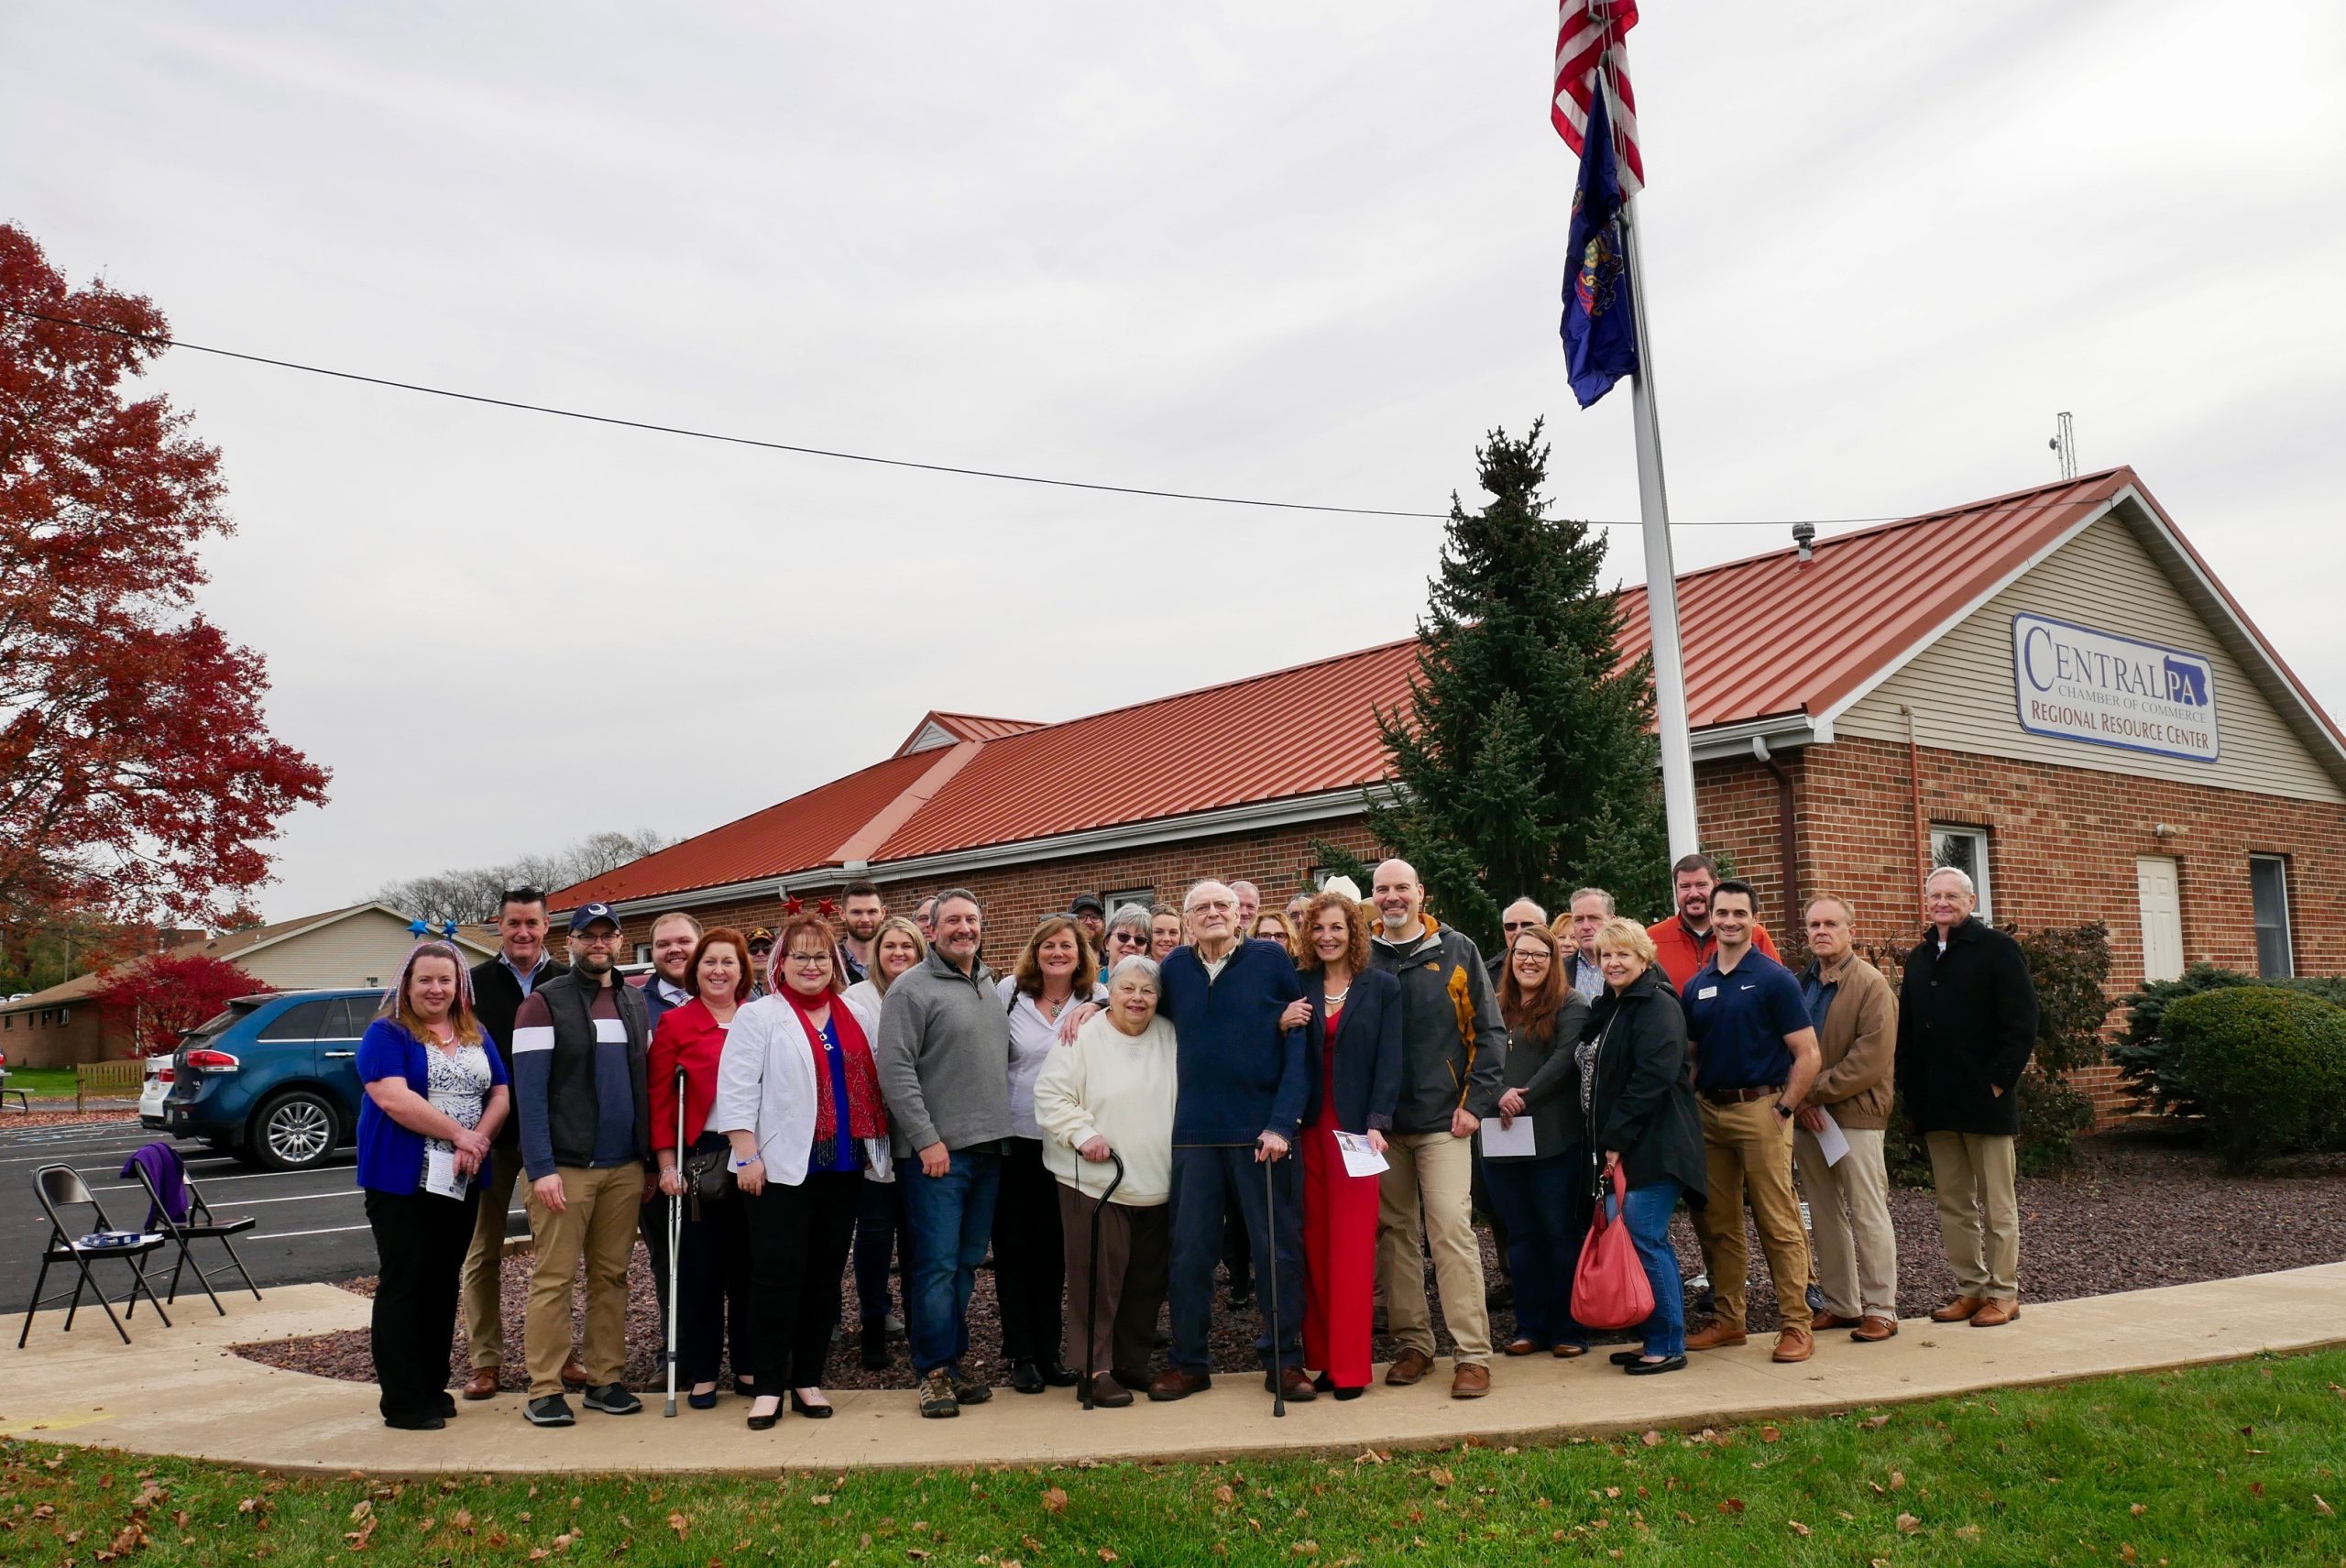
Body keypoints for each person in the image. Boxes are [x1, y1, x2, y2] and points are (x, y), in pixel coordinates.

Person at [717, 912, 888, 1428]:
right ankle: (768, 1385)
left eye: (820, 956)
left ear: (834, 963)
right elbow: (737, 1089)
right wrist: (746, 1155)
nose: (811, 965)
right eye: (801, 956)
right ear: (782, 963)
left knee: (824, 1277)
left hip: (844, 1165)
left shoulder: (856, 1013)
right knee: (775, 1277)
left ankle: (808, 1380)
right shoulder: (760, 1015)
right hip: (778, 1169)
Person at [1145, 880, 1312, 1403]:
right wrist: (1095, 1006)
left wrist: (1282, 1123)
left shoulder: (1269, 959)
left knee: (1275, 1251)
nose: (1213, 913)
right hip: (1193, 1137)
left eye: (1223, 905)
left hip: (1262, 1135)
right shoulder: (1174, 969)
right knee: (1189, 1255)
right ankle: (1189, 1363)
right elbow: (1138, 1009)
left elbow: (1300, 1041)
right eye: (1202, 907)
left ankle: (1284, 1361)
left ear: (1240, 915)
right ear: (1187, 922)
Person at [1366, 860, 1504, 1399]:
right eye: (1382, 889)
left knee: (1450, 1230)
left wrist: (1475, 1104)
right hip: (1382, 1128)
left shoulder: (1456, 949)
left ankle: (1472, 1355)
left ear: (1420, 893)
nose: (1392, 897)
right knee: (1394, 1235)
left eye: (1401, 888)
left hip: (1445, 1121)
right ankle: (1414, 1346)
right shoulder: (1362, 954)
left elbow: (1488, 1033)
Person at [511, 902, 652, 1427]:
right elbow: (529, 1095)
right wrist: (541, 1166)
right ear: (568, 942)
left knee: (611, 1277)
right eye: (587, 935)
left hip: (625, 1167)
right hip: (564, 1169)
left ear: (619, 941)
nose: (598, 944)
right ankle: (545, 1388)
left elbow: (644, 1082)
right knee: (554, 1278)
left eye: (607, 935)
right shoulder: (542, 1004)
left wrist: (647, 1161)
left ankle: (604, 1380)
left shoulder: (634, 1001)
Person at [356, 940, 508, 1430]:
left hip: (460, 1178)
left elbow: (500, 1092)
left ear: (459, 986)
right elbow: (393, 1099)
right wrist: (460, 1135)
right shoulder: (387, 1034)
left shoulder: (475, 1032)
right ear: (407, 985)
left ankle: (431, 1387)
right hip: (402, 1180)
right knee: (407, 1282)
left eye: (446, 980)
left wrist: (477, 1141)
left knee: (443, 1282)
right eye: (425, 979)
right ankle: (403, 1401)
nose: (435, 989)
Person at [874, 888, 1014, 1419]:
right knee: (934, 1265)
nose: (964, 928)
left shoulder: (988, 984)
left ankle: (951, 1365)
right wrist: (926, 1138)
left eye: (971, 919)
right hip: (937, 1155)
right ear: (931, 929)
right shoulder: (910, 990)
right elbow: (895, 1070)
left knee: (965, 1263)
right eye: (952, 920)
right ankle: (931, 1372)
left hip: (989, 1149)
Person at [1681, 879, 1822, 1363]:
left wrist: (1783, 1109)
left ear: (1753, 919)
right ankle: (1729, 1320)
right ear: (1711, 918)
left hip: (1762, 1109)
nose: (1730, 921)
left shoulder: (1773, 978)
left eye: (1740, 913)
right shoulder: (1697, 985)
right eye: (1722, 913)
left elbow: (1808, 1054)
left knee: (1777, 1220)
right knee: (1718, 1224)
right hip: (1709, 1113)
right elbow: (1692, 1057)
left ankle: (1796, 1324)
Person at [1033, 955, 1178, 1407]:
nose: (1137, 998)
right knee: (1097, 1279)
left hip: (1158, 1180)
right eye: (1126, 989)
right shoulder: (1083, 1035)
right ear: (1107, 993)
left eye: (1147, 991)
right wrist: (1083, 1134)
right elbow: (1051, 1094)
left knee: (1146, 1281)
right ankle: (1092, 1369)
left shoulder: (1170, 1034)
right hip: (1098, 1181)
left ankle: (1130, 1362)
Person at [1896, 867, 2038, 1330]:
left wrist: (1998, 1081)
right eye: (1935, 895)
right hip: (1936, 1102)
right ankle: (1970, 1289)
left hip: (1985, 1101)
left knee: (1998, 1205)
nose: (1942, 903)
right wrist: (1909, 1088)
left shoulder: (1998, 949)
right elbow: (1907, 1029)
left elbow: (2022, 1021)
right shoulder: (1919, 959)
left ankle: (2003, 1292)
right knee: (1953, 1204)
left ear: (1971, 902)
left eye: (1952, 896)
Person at [1583, 917, 1708, 1375]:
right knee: (1635, 1240)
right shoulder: (1616, 1005)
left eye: (1624, 954)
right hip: (1629, 1145)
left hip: (1657, 1145)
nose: (1613, 963)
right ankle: (1653, 1336)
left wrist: (1616, 1139)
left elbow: (1651, 1078)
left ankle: (1669, 1344)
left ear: (1644, 958)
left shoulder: (1657, 1005)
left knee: (1645, 1238)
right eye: (1606, 955)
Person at [1292, 889, 1399, 1400]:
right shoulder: (1297, 984)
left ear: (1353, 931)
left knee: (1352, 1251)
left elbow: (1390, 1059)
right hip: (1307, 1131)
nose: (1327, 936)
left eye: (1336, 927)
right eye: (1318, 928)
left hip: (1357, 1135)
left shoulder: (1382, 986)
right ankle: (1324, 1361)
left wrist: (1379, 1120)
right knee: (1315, 1248)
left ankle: (1352, 1367)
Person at [459, 887, 565, 1402]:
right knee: (482, 1252)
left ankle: (560, 1356)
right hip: (488, 1139)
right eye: (513, 923)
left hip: (552, 1141)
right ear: (498, 927)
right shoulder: (472, 986)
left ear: (547, 927)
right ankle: (486, 1361)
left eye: (532, 923)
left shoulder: (566, 982)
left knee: (556, 1254)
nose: (523, 932)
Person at [650, 927, 757, 1409]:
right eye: (710, 962)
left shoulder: (758, 1018)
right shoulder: (676, 1023)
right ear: (696, 971)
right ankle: (704, 1370)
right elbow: (660, 1100)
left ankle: (749, 1364)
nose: (718, 971)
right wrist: (666, 1165)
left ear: (742, 971)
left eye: (728, 962)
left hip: (754, 1153)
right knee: (701, 1269)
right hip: (702, 1156)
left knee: (750, 1267)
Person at [994, 916, 1101, 1394]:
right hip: (1016, 1139)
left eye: (1067, 946)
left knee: (1056, 1252)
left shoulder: (1095, 997)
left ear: (1081, 955)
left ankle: (1048, 1351)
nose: (1058, 953)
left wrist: (1096, 1004)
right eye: (1048, 946)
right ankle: (1020, 1354)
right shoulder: (1009, 994)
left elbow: (1144, 997)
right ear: (1035, 952)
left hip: (1068, 1142)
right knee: (1014, 1250)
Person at [1791, 896, 1901, 1343]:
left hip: (1855, 1115)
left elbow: (1869, 1060)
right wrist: (1800, 1101)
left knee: (1867, 1211)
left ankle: (1881, 1309)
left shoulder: (1872, 985)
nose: (1821, 931)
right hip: (1807, 1117)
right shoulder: (1800, 984)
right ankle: (1842, 1304)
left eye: (1831, 924)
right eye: (1814, 924)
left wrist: (1808, 1091)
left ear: (1850, 931)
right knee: (1824, 1212)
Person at [1485, 925, 1594, 1360]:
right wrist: (1497, 1095)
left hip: (1554, 1141)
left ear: (1554, 962)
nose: (1529, 961)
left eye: (1540, 955)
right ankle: (1530, 1327)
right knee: (1521, 1235)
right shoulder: (1493, 1005)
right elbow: (1474, 1055)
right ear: (1510, 959)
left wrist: (1521, 1096)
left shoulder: (1572, 1004)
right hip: (1501, 1138)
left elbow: (1565, 1060)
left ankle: (1569, 1328)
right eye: (1521, 953)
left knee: (1559, 1233)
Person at [840, 916, 924, 1369]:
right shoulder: (856, 1000)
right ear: (877, 953)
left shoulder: (928, 991)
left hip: (920, 1133)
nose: (898, 953)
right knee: (873, 1236)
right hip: (873, 1133)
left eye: (907, 946)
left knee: (916, 1235)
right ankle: (873, 1322)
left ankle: (918, 1327)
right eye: (890, 946)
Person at [1646, 854, 1781, 992]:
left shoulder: (1754, 934)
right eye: (1685, 886)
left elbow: (1777, 985)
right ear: (1675, 890)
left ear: (1716, 885)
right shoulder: (1652, 939)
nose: (1693, 893)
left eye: (1701, 885)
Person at [639, 912, 703, 1030]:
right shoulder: (632, 1004)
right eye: (663, 945)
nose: (674, 949)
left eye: (684, 941)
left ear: (702, 946)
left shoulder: (730, 1000)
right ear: (652, 952)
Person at [1557, 888, 1613, 1002]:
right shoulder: (1557, 970)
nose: (1586, 927)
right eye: (1579, 919)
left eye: (1594, 918)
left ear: (1612, 921)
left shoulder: (1634, 968)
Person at [836, 881, 887, 986]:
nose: (865, 919)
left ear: (883, 913)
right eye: (856, 912)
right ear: (842, 913)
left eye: (872, 912)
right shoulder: (830, 962)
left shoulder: (894, 960)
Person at [1492, 898, 1549, 984]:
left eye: (1527, 925)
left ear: (1543, 929)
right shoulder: (1486, 973)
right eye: (1511, 926)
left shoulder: (1563, 970)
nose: (1518, 932)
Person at [1101, 904, 1155, 980]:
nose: (1132, 943)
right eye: (1123, 936)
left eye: (1140, 940)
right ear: (1107, 942)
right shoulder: (1089, 983)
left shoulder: (1155, 984)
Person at [1068, 894, 1109, 965]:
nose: (1089, 922)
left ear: (1103, 923)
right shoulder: (1061, 963)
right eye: (1081, 917)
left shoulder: (1113, 963)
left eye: (1094, 917)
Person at [745, 929, 775, 999]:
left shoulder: (787, 985)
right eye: (753, 950)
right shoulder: (737, 988)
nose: (760, 954)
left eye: (767, 950)